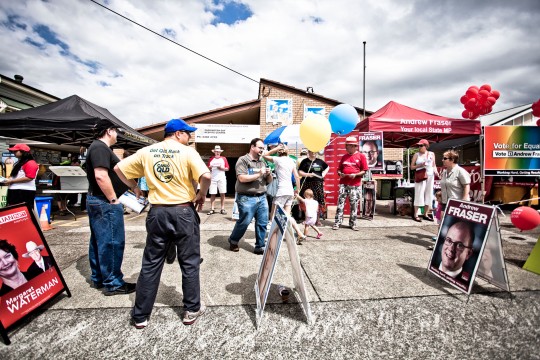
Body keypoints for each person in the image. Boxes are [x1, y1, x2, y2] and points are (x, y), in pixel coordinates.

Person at [114, 118, 211, 328]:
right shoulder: (188, 153)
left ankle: (140, 316)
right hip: (183, 211)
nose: (189, 137)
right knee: (189, 262)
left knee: (151, 263)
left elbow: (118, 169)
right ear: (177, 134)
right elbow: (206, 175)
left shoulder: (147, 152)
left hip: (157, 212)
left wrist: (135, 187)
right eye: (187, 133)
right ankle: (191, 309)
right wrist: (201, 195)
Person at [85, 119, 139, 296]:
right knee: (112, 242)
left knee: (99, 241)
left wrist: (134, 187)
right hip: (104, 202)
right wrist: (113, 199)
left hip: (98, 201)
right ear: (109, 131)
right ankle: (113, 283)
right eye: (116, 131)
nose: (117, 134)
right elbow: (101, 176)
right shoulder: (100, 147)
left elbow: (117, 172)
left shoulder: (99, 148)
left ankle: (100, 277)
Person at [228, 138, 273, 255]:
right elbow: (241, 178)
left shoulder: (262, 161)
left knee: (262, 223)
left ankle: (260, 246)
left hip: (262, 196)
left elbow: (269, 181)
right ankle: (233, 240)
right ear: (252, 147)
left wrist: (268, 174)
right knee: (244, 222)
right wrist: (259, 173)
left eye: (263, 148)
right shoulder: (243, 160)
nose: (262, 150)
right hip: (246, 198)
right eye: (260, 148)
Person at [263, 143, 305, 243]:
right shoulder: (291, 161)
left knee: (273, 216)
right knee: (287, 215)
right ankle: (299, 233)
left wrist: (275, 148)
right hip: (290, 191)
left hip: (281, 191)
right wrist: (297, 190)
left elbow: (264, 156)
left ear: (279, 152)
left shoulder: (277, 159)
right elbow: (296, 176)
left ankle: (273, 237)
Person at [428, 150, 471, 246]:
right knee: (442, 224)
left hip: (457, 203)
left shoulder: (460, 171)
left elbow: (466, 186)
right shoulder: (445, 171)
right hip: (445, 202)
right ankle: (439, 245)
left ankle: (453, 245)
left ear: (452, 160)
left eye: (445, 158)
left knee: (454, 226)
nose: (442, 160)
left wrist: (464, 201)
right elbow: (444, 185)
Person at [332, 136, 368, 231]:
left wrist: (355, 175)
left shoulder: (361, 156)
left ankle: (353, 224)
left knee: (354, 205)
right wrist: (340, 173)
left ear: (353, 146)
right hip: (343, 184)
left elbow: (364, 171)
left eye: (347, 146)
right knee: (340, 204)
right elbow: (339, 169)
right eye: (346, 146)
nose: (346, 148)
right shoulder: (344, 157)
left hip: (355, 185)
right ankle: (337, 223)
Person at [1, 144, 39, 209]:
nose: (14, 153)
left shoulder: (30, 163)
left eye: (16, 151)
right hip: (16, 190)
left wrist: (12, 181)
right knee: (13, 210)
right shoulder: (20, 162)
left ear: (22, 152)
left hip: (24, 191)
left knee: (22, 211)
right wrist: (8, 180)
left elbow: (29, 177)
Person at [298, 150, 329, 225]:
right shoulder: (304, 161)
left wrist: (323, 175)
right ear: (308, 152)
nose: (313, 153)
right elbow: (299, 172)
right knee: (307, 201)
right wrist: (308, 174)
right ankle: (306, 219)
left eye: (314, 152)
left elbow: (327, 167)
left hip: (317, 184)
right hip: (307, 184)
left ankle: (317, 220)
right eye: (311, 152)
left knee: (317, 202)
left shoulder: (320, 161)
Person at [411, 139, 439, 222]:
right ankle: (415, 214)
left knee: (429, 194)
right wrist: (420, 165)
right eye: (418, 146)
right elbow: (411, 167)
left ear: (426, 146)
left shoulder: (431, 154)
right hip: (420, 175)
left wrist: (436, 172)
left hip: (430, 175)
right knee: (419, 193)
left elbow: (434, 165)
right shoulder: (416, 155)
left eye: (421, 145)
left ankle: (425, 214)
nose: (419, 147)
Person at [207, 145, 229, 215]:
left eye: (218, 151)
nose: (217, 152)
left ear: (220, 152)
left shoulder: (224, 158)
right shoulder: (211, 159)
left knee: (222, 193)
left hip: (221, 177)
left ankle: (222, 208)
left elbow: (227, 168)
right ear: (214, 152)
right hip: (213, 178)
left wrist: (222, 168)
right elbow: (208, 168)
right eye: (216, 151)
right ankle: (212, 208)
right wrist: (210, 167)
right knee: (212, 193)